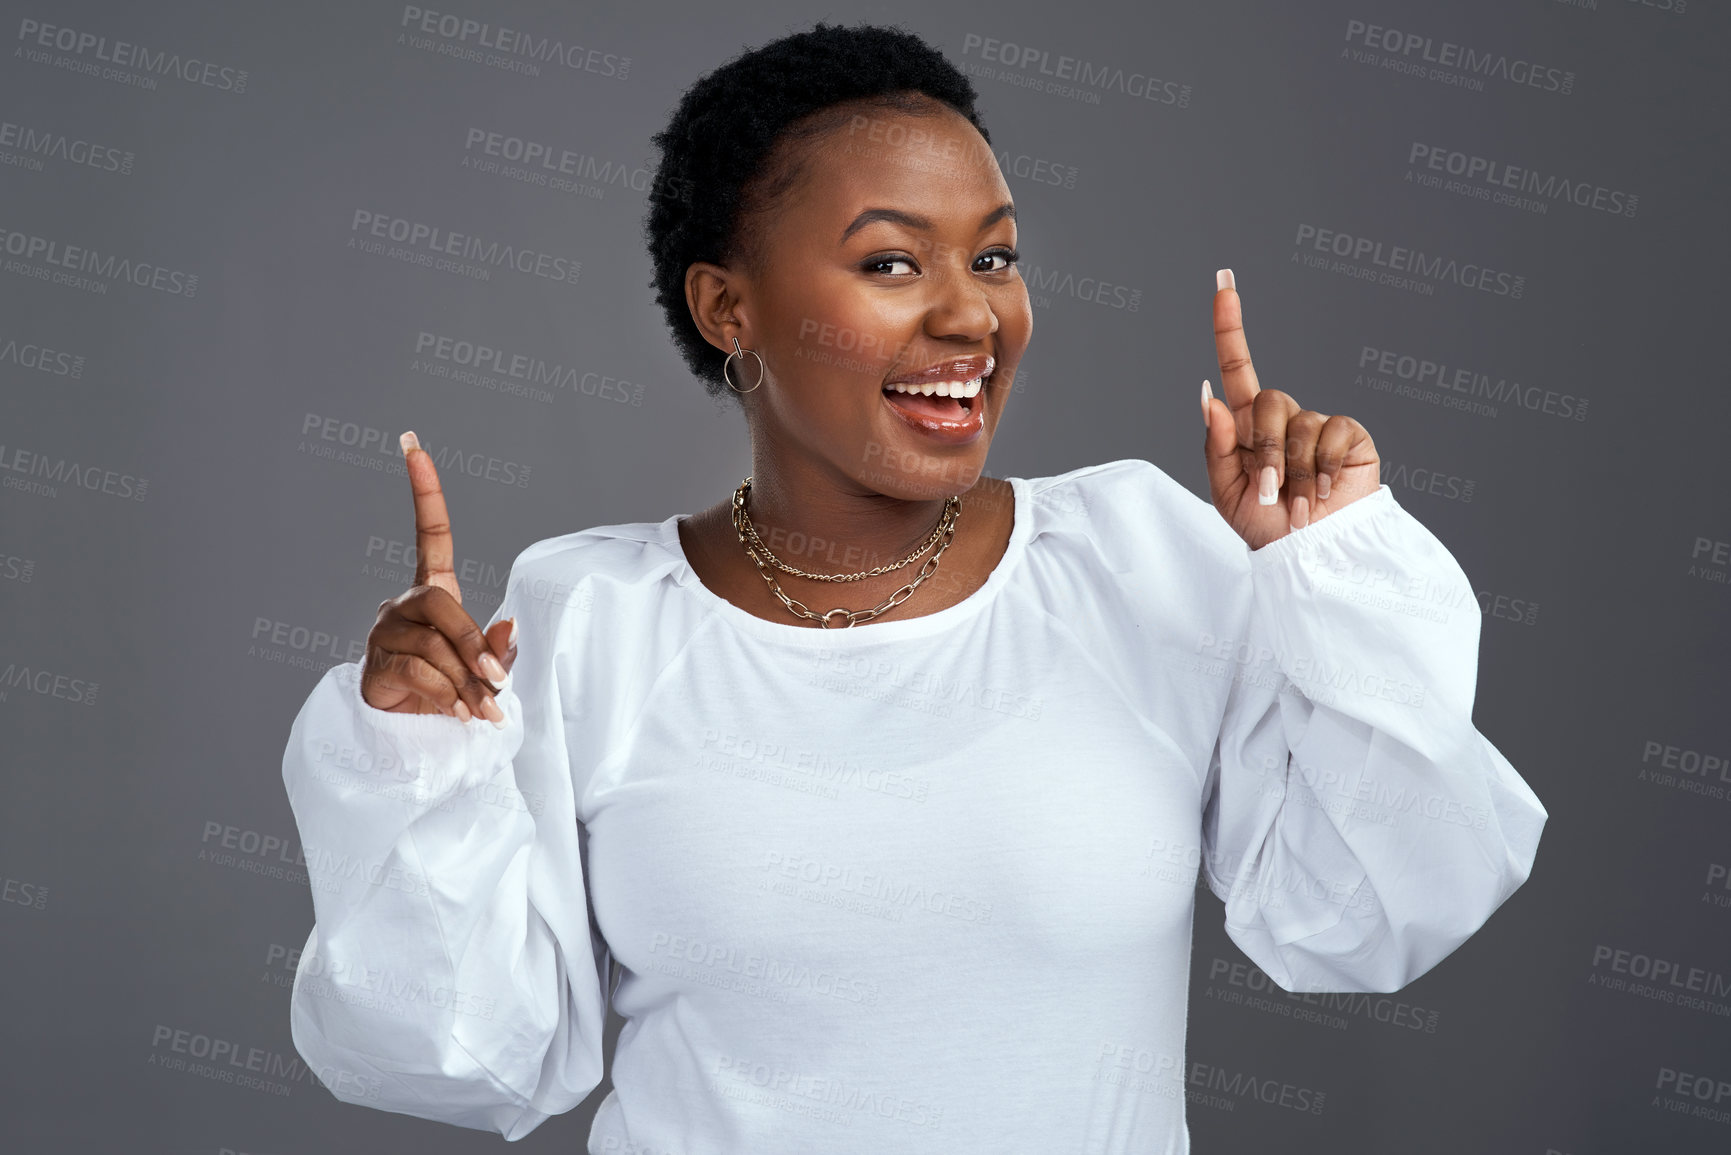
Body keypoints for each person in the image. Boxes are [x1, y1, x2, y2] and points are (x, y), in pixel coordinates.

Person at [279, 21, 1546, 1153]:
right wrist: (411, 765)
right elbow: (462, 1051)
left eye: (994, 259)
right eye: (891, 264)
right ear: (729, 306)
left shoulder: (1139, 562)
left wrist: (1331, 577)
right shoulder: (588, 619)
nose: (970, 317)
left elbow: (1377, 912)